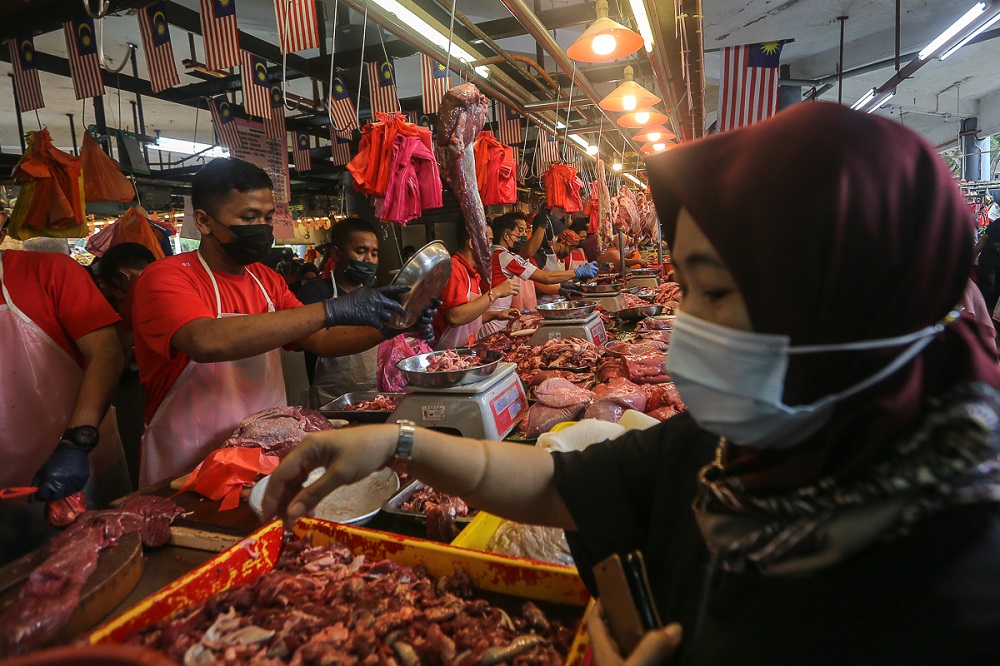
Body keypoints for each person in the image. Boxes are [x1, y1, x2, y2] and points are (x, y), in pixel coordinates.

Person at [263, 103, 1000, 663]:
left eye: (710, 290)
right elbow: (552, 479)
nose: (687, 323)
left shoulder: (961, 586)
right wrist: (397, 442)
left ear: (839, 298)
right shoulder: (732, 445)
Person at [132, 158, 426, 486]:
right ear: (203, 221)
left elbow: (323, 341)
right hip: (187, 465)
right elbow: (204, 340)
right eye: (248, 217)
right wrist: (331, 308)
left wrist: (391, 324)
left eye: (267, 217)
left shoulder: (267, 279)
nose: (262, 226)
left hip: (267, 454)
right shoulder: (166, 277)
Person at [0, 210, 130, 563]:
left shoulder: (50, 272)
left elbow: (107, 354)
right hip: (5, 492)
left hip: (77, 472)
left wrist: (78, 441)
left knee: (104, 570)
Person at [297, 217, 434, 405]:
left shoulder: (376, 295)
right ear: (336, 253)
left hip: (376, 399)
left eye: (374, 253)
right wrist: (389, 327)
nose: (369, 259)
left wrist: (413, 328)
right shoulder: (316, 292)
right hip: (331, 404)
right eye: (360, 251)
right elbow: (322, 341)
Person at [94, 242, 157, 487]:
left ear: (123, 276)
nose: (118, 299)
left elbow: (115, 350)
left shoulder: (142, 284)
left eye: (116, 292)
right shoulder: (179, 277)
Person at [480, 215, 598, 337]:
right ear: (506, 236)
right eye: (517, 234)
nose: (519, 238)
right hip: (493, 320)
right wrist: (577, 272)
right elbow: (545, 277)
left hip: (492, 315)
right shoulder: (504, 256)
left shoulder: (491, 254)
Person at [433, 219, 519, 349]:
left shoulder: (473, 272)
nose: (491, 247)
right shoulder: (455, 269)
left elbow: (468, 317)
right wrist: (496, 292)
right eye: (489, 241)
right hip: (444, 355)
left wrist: (495, 315)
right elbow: (455, 317)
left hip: (463, 349)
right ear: (472, 243)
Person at [974, 201, 1000, 311]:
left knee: (992, 289)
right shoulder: (997, 223)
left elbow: (983, 240)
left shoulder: (997, 223)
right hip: (989, 262)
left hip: (990, 262)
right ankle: (986, 313)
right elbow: (983, 240)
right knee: (989, 289)